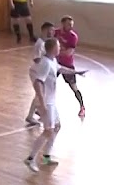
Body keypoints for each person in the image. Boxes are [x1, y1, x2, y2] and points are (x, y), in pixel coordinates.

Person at [25, 37, 62, 172]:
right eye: (58, 46)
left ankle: (46, 156)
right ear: (53, 48)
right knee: (48, 131)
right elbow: (38, 83)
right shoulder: (45, 63)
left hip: (51, 101)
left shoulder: (53, 60)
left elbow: (60, 69)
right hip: (47, 103)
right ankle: (30, 158)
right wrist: (42, 103)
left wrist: (76, 72)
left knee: (56, 126)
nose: (60, 48)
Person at [26, 21, 56, 126]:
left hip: (41, 72)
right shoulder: (40, 44)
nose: (52, 32)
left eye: (53, 30)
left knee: (40, 94)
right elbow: (36, 59)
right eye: (50, 30)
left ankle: (36, 111)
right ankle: (30, 116)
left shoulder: (46, 43)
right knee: (40, 94)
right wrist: (46, 64)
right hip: (36, 72)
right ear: (44, 30)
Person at [54, 16, 85, 118]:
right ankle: (40, 107)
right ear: (62, 24)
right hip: (55, 64)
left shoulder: (73, 36)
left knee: (73, 87)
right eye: (68, 24)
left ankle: (82, 107)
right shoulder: (55, 32)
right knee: (47, 84)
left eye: (72, 25)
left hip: (67, 65)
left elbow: (68, 53)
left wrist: (55, 52)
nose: (71, 27)